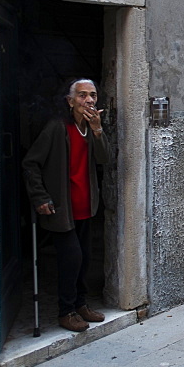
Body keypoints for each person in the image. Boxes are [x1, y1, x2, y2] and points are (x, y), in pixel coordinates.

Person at [22, 79, 110, 333]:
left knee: (84, 260)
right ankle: (66, 311)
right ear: (70, 101)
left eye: (93, 95)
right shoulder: (57, 128)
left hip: (85, 208)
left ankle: (81, 305)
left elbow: (104, 158)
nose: (89, 100)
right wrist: (40, 197)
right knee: (71, 260)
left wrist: (98, 130)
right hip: (62, 210)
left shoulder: (91, 129)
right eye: (82, 96)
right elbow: (31, 163)